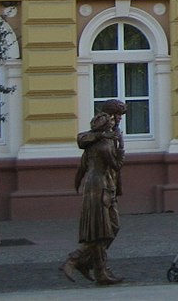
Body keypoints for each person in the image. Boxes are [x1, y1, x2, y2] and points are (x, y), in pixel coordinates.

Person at [60, 99, 127, 286]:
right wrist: (121, 149)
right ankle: (76, 260)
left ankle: (95, 268)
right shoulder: (104, 142)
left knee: (108, 228)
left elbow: (83, 162)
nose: (119, 119)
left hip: (103, 185)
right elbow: (116, 164)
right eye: (118, 115)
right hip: (100, 186)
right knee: (104, 230)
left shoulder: (100, 138)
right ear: (109, 118)